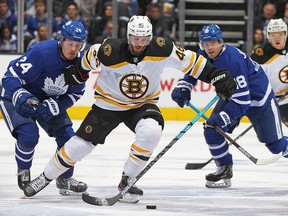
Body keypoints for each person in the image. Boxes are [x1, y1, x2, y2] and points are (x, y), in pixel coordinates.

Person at [23, 15, 236, 203]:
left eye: (144, 39)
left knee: (151, 131)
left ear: (150, 37)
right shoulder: (107, 50)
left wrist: (216, 75)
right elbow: (84, 63)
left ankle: (127, 179)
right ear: (128, 36)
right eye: (135, 39)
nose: (139, 44)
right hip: (108, 105)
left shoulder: (163, 48)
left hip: (143, 105)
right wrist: (75, 74)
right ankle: (46, 177)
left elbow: (194, 62)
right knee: (80, 146)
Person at [172, 24, 288, 188]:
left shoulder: (233, 60)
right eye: (205, 43)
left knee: (276, 146)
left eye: (213, 43)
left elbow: (244, 99)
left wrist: (224, 117)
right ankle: (224, 168)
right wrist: (185, 85)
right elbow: (195, 69)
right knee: (212, 129)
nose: (209, 47)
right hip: (232, 96)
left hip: (258, 101)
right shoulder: (203, 54)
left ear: (221, 42)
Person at [0, 20, 88, 196]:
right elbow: (10, 76)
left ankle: (64, 178)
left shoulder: (81, 64)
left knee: (69, 139)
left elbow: (76, 93)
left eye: (78, 45)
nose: (73, 49)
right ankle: (23, 170)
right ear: (61, 40)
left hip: (48, 99)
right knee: (29, 134)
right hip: (16, 95)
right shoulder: (42, 52)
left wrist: (59, 104)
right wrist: (19, 94)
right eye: (70, 43)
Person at [251, 18, 288, 127]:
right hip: (273, 100)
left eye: (280, 34)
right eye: (273, 34)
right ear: (268, 36)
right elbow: (253, 79)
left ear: (286, 34)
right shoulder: (260, 55)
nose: (277, 37)